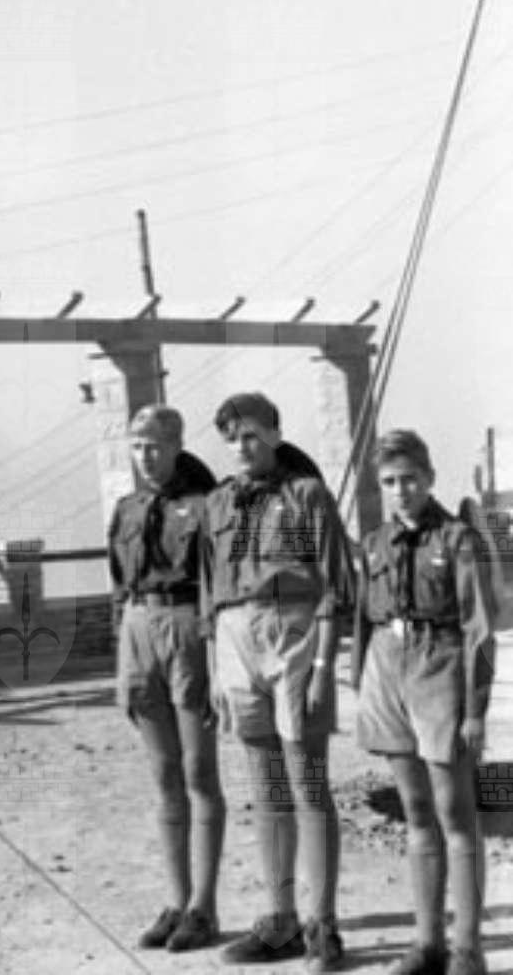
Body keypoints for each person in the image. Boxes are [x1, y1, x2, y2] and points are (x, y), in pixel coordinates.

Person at [201, 392, 354, 971]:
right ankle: (280, 920)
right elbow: (209, 589)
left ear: (274, 433)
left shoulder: (307, 494)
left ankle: (323, 925)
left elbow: (336, 587)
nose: (242, 447)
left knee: (309, 782)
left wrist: (322, 668)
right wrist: (216, 668)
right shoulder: (218, 502)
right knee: (266, 788)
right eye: (232, 438)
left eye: (252, 435)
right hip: (235, 641)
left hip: (294, 638)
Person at [354, 428, 497, 975]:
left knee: (455, 813)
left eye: (410, 479)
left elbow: (479, 631)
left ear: (430, 478)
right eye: (390, 482)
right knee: (415, 811)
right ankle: (428, 942)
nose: (401, 490)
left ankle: (467, 948)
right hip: (388, 666)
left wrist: (475, 711)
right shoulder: (375, 542)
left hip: (440, 666)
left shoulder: (459, 540)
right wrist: (362, 683)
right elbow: (361, 619)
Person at [108, 404, 224, 952]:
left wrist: (215, 658)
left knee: (198, 771)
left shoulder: (205, 505)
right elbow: (118, 583)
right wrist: (125, 652)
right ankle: (175, 901)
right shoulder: (127, 509)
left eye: (155, 445)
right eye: (137, 446)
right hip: (138, 628)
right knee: (162, 775)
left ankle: (203, 906)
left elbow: (218, 584)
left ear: (177, 445)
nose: (145, 456)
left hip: (187, 624)